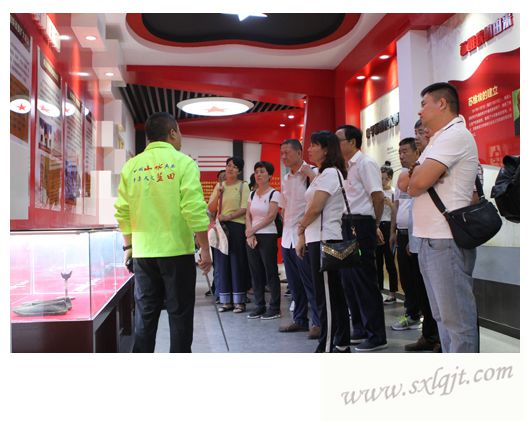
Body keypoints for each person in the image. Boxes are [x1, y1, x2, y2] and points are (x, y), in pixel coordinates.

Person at [114, 112, 212, 353]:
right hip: (177, 252)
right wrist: (205, 248)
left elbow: (122, 211)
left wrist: (129, 246)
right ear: (172, 133)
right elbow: (193, 208)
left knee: (145, 316)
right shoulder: (183, 163)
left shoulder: (131, 166)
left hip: (143, 254)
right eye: (180, 132)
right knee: (180, 315)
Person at [399, 82, 479, 353]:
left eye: (424, 104)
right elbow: (406, 183)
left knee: (457, 321)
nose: (420, 111)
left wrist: (419, 175)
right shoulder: (437, 140)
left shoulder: (455, 135)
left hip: (446, 239)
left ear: (442, 103)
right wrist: (420, 174)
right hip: (430, 240)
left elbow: (416, 184)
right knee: (442, 318)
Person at [296, 131, 351, 353]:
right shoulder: (321, 174)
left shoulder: (329, 173)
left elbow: (316, 208)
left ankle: (327, 346)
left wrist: (300, 229)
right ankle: (341, 343)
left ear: (326, 149)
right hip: (318, 239)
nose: (309, 149)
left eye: (314, 145)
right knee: (332, 295)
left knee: (327, 296)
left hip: (325, 240)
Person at [336, 124, 387, 352]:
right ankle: (359, 328)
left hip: (361, 223)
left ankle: (376, 335)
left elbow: (377, 196)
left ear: (352, 142)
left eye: (338, 140)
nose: (335, 145)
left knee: (365, 281)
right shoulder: (343, 166)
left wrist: (373, 224)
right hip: (345, 223)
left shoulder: (365, 163)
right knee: (348, 280)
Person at [277, 139, 320, 339]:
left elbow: (321, 198)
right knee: (294, 284)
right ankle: (300, 319)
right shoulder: (286, 178)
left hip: (305, 236)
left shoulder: (313, 172)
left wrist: (310, 174)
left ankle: (318, 322)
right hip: (287, 237)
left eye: (287, 152)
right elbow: (285, 207)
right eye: (282, 153)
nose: (283, 156)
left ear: (299, 153)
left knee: (310, 282)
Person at [208, 157, 251, 313]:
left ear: (239, 171)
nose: (230, 169)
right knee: (222, 263)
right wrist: (218, 194)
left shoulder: (243, 186)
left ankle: (239, 301)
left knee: (237, 262)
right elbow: (211, 209)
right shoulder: (219, 186)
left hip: (237, 227)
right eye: (228, 166)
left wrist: (228, 217)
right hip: (221, 228)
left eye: (234, 167)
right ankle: (226, 301)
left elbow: (245, 208)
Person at [388, 138, 422, 332]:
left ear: (416, 152)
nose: (401, 155)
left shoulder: (422, 174)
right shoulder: (401, 176)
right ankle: (411, 313)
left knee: (417, 278)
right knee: (406, 278)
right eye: (399, 152)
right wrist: (392, 231)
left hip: (415, 234)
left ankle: (417, 315)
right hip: (401, 234)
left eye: (405, 151)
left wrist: (413, 235)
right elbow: (396, 206)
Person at [245, 161, 282, 319]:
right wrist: (250, 234)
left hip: (268, 235)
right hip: (252, 236)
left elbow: (271, 216)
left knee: (270, 271)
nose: (258, 174)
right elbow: (248, 215)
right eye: (256, 172)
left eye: (262, 171)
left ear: (270, 175)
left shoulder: (274, 194)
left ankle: (274, 307)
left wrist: (252, 230)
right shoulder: (252, 194)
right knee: (255, 272)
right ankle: (259, 305)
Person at [377, 162, 399, 303]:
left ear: (390, 178)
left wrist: (390, 204)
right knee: (378, 261)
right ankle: (378, 291)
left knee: (390, 261)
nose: (383, 181)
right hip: (378, 227)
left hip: (389, 226)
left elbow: (396, 211)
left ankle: (392, 293)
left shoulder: (393, 192)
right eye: (381, 178)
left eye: (386, 178)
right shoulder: (376, 192)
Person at [205, 169, 226, 301]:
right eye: (221, 178)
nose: (223, 179)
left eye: (225, 177)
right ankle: (218, 291)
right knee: (218, 264)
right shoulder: (216, 190)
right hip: (216, 232)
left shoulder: (238, 188)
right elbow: (210, 211)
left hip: (229, 231)